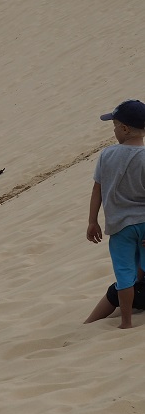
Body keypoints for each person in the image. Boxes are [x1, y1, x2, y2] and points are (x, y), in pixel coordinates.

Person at [86, 99, 145, 328]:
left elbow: (96, 189)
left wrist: (93, 221)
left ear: (124, 128)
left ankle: (127, 322)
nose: (113, 129)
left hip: (120, 228)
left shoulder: (107, 155)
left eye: (114, 124)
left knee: (124, 275)